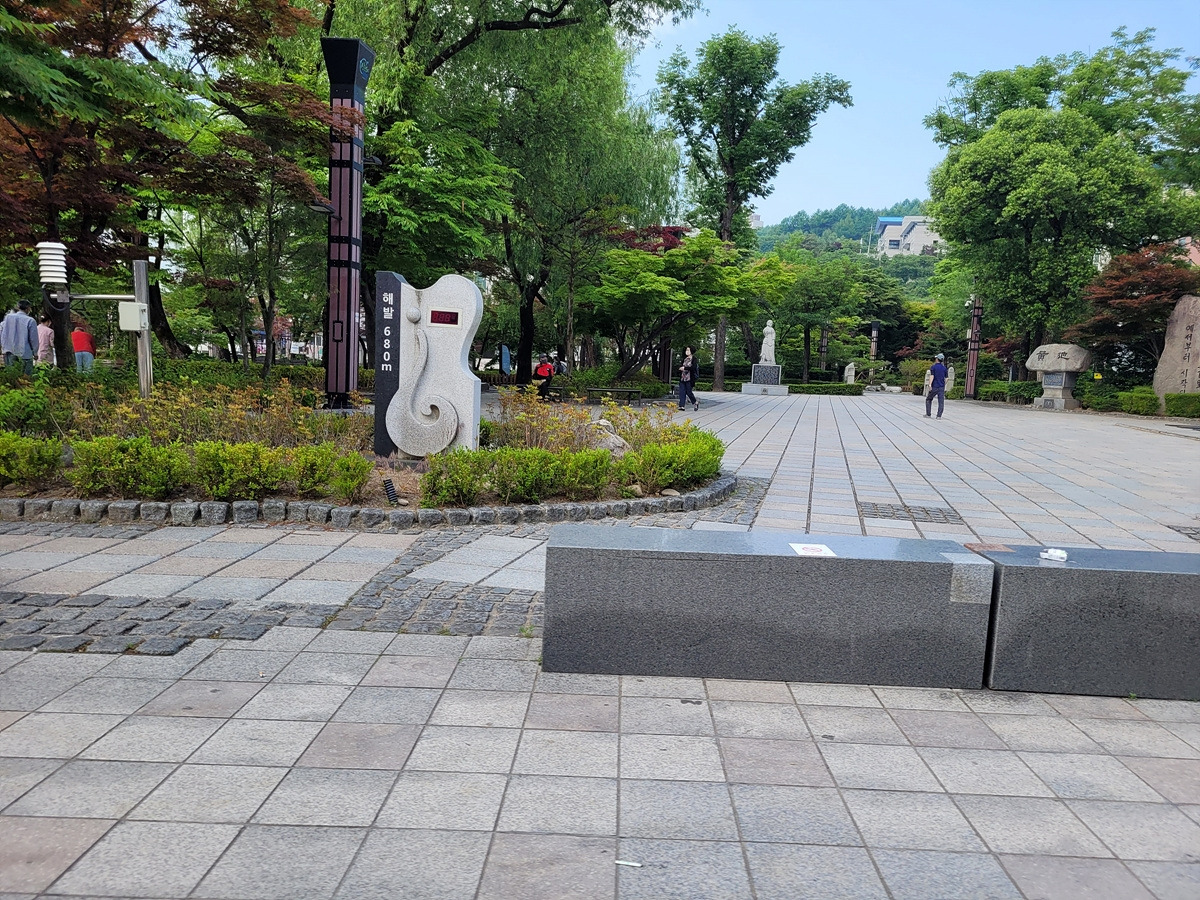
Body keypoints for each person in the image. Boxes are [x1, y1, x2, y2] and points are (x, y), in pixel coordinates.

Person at [0, 300, 39, 374]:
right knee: (25, 377)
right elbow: (33, 339)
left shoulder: (8, 318)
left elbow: (4, 334)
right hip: (25, 353)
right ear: (28, 308)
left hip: (9, 351)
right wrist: (35, 352)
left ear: (18, 307)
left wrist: (3, 348)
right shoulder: (30, 320)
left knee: (11, 375)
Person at [925, 353, 948, 419]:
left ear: (937, 359)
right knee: (941, 401)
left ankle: (928, 414)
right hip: (941, 386)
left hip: (934, 386)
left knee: (929, 399)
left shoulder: (933, 367)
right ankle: (939, 416)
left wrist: (930, 384)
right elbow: (947, 378)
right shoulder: (944, 368)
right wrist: (943, 384)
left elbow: (932, 376)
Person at [678, 345, 699, 411]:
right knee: (682, 392)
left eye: (688, 350)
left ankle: (695, 402)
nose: (686, 351)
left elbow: (693, 368)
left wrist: (685, 368)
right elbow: (680, 366)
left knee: (689, 392)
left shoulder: (694, 359)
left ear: (691, 351)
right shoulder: (684, 359)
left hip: (690, 378)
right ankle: (681, 406)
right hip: (683, 378)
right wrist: (680, 368)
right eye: (686, 350)